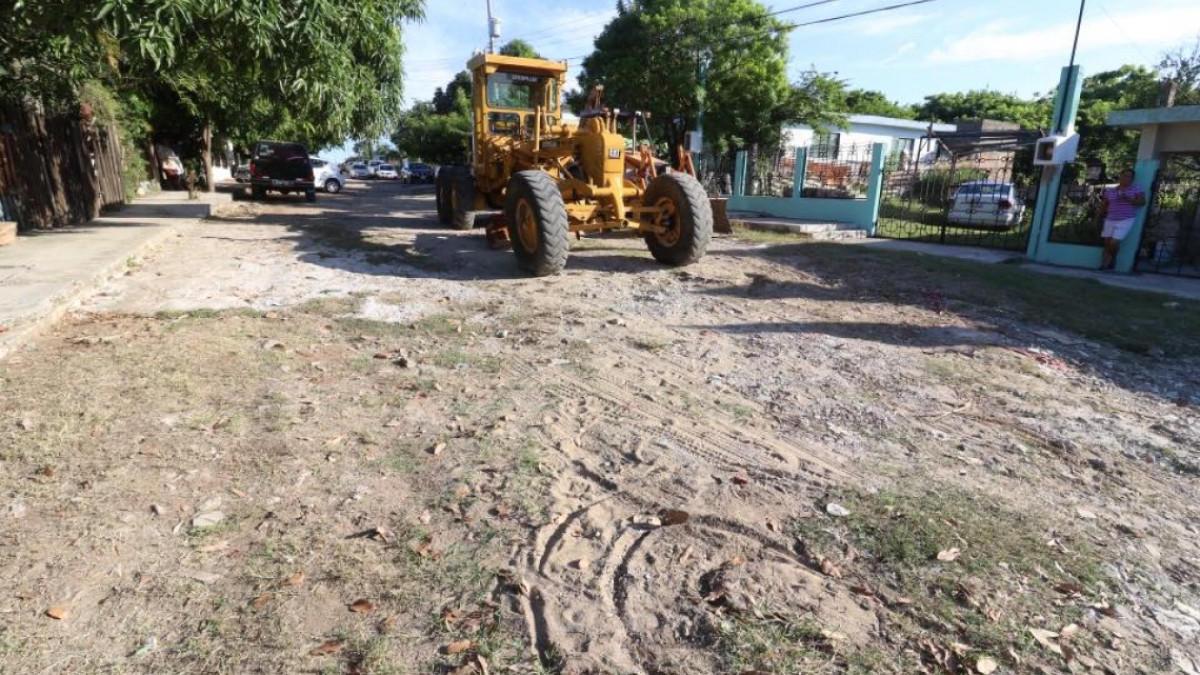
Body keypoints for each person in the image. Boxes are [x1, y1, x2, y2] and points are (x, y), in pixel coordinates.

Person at [1097, 168, 1147, 271]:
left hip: (1126, 219)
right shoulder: (1111, 190)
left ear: (1132, 179)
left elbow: (1142, 202)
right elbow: (1103, 205)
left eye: (1129, 177)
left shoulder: (1136, 189)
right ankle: (1106, 263)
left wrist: (1128, 199)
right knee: (1107, 242)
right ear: (1120, 176)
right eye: (1124, 175)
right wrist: (1097, 217)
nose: (1126, 178)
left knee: (1113, 242)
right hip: (1110, 219)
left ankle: (1111, 260)